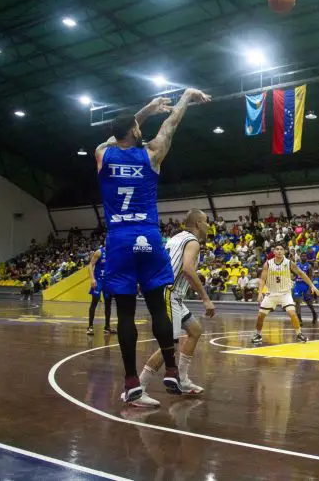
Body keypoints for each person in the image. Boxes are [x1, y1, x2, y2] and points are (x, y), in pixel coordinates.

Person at [95, 88, 211, 404]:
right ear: (134, 131)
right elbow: (171, 124)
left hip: (118, 239)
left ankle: (132, 382)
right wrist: (185, 97)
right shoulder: (152, 153)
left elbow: (117, 132)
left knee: (126, 315)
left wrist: (144, 111)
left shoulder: (103, 154)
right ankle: (172, 370)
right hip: (147, 237)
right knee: (159, 307)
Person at [137, 209, 216, 407]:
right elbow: (188, 268)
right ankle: (138, 389)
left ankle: (182, 377)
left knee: (195, 330)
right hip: (169, 294)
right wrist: (205, 297)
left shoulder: (176, 238)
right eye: (206, 222)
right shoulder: (193, 242)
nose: (209, 226)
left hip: (171, 294)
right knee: (168, 346)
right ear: (198, 223)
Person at [253, 243, 319, 344]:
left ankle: (299, 334)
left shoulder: (289, 263)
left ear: (284, 251)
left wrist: (312, 285)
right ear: (274, 251)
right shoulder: (268, 263)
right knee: (260, 315)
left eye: (281, 249)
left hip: (285, 293)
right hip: (271, 293)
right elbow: (262, 279)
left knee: (292, 313)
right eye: (277, 249)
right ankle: (258, 334)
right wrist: (260, 293)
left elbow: (301, 273)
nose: (279, 251)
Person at [86, 245, 115, 335]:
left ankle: (107, 327)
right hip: (98, 281)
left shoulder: (114, 252)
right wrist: (92, 279)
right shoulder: (99, 252)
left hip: (107, 282)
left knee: (108, 304)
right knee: (94, 303)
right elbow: (90, 266)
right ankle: (90, 327)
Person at [293, 253, 317, 325]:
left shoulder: (309, 266)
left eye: (305, 256)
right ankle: (299, 319)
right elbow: (295, 275)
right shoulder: (296, 265)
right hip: (297, 285)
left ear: (307, 257)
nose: (304, 257)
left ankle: (314, 315)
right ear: (300, 257)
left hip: (305, 285)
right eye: (302, 256)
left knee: (309, 303)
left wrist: (310, 287)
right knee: (297, 302)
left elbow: (310, 278)